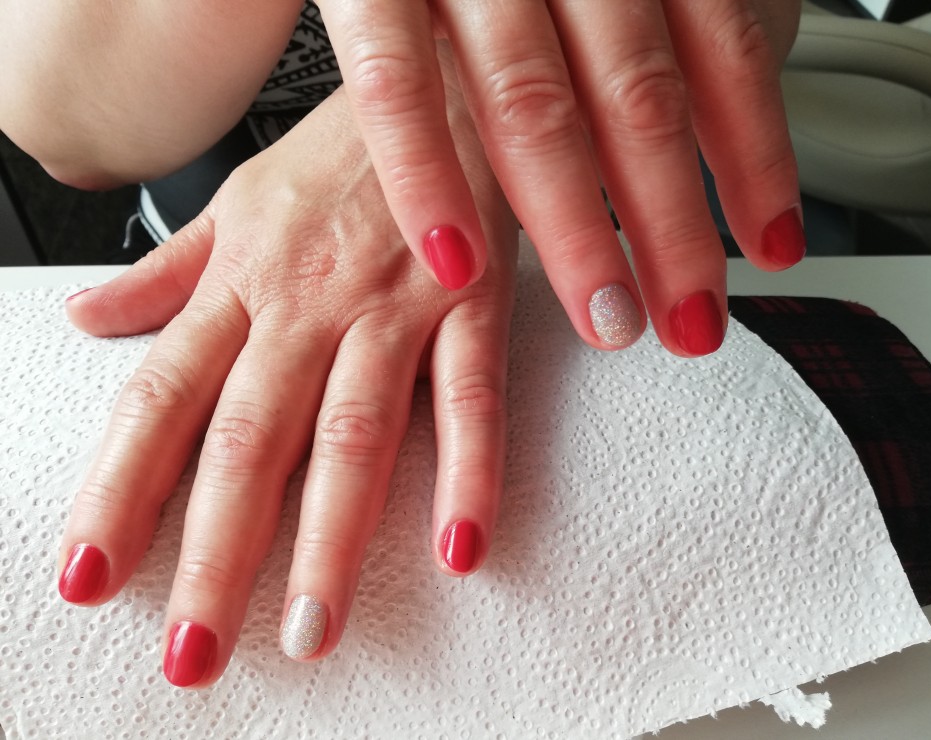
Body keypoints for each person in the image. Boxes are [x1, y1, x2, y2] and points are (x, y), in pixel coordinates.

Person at [0, 0, 803, 688]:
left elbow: (760, 15)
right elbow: (70, 131)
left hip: (647, 233)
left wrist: (467, 96)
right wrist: (409, 99)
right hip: (225, 265)